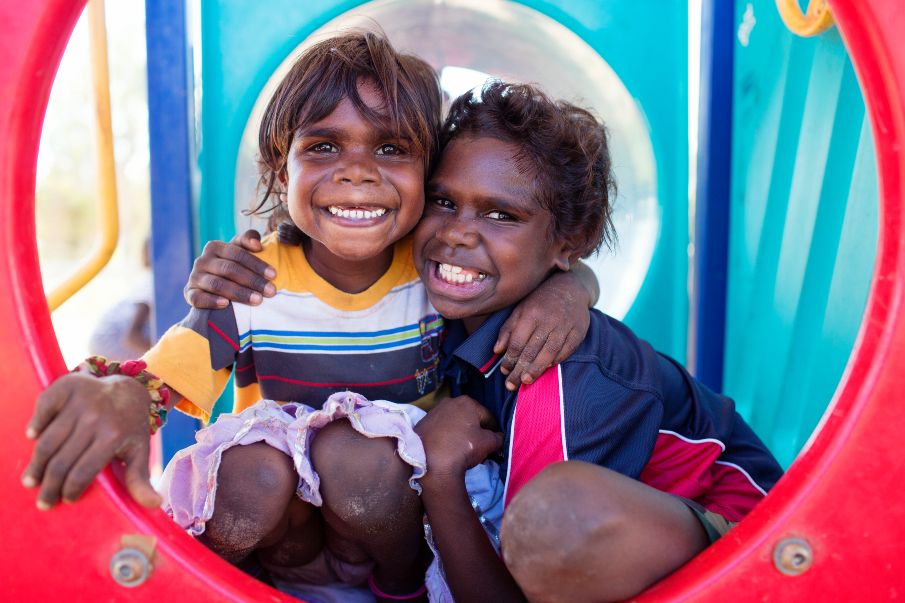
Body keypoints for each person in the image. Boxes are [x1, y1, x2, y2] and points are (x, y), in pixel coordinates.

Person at [22, 33, 599, 601]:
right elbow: (162, 377)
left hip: (394, 529)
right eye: (323, 147)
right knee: (250, 471)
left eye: (391, 149)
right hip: (287, 542)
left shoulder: (436, 270)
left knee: (359, 457)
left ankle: (402, 592)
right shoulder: (252, 281)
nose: (357, 171)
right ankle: (241, 587)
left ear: (427, 176)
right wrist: (122, 396)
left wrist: (572, 288)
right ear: (281, 172)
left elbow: (530, 268)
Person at [182, 80, 785, 602]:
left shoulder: (562, 373)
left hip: (750, 548)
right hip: (574, 545)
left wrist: (441, 472)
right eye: (443, 201)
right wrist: (235, 267)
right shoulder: (440, 299)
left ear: (568, 241)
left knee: (553, 518)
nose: (458, 235)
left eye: (501, 215)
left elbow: (525, 579)